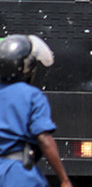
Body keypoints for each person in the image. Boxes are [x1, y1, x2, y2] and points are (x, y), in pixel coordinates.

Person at [0, 35, 72, 187]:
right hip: (17, 176)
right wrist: (64, 179)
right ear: (27, 68)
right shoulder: (32, 95)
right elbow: (44, 139)